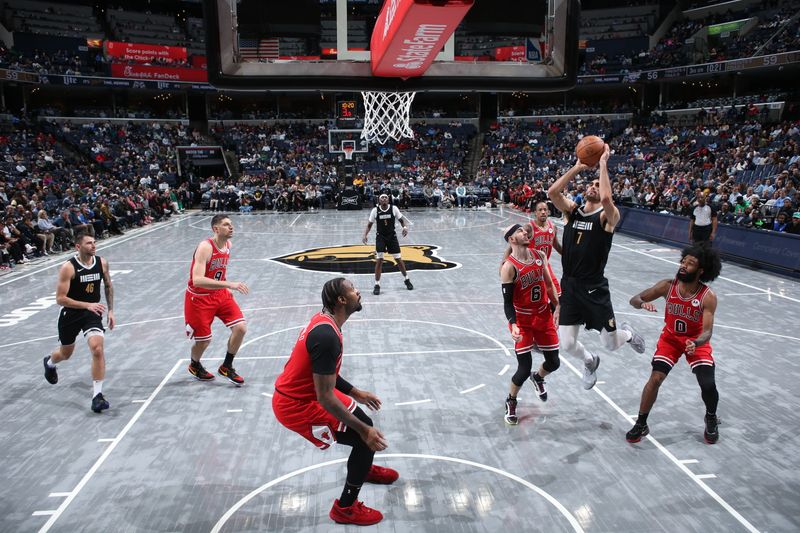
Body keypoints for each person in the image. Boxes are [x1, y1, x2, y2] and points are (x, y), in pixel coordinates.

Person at [272, 278, 398, 526]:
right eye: (352, 289)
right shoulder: (326, 335)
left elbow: (323, 373)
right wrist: (364, 432)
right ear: (341, 300)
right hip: (296, 405)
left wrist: (356, 392)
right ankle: (345, 508)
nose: (358, 291)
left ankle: (363, 467)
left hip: (308, 393)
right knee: (364, 437)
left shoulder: (326, 323)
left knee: (365, 423)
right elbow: (325, 397)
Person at [547, 144, 645, 390]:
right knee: (567, 345)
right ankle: (590, 361)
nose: (593, 186)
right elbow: (552, 192)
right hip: (570, 285)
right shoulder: (573, 212)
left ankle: (629, 334)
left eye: (598, 184)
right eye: (591, 184)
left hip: (594, 288)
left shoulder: (608, 217)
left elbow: (605, 199)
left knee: (610, 344)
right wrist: (578, 166)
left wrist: (603, 163)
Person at [626, 244, 722, 444]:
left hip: (695, 341)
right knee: (656, 378)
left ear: (701, 270)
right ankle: (641, 422)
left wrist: (696, 342)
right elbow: (634, 299)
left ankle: (711, 416)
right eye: (683, 261)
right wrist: (642, 303)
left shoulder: (708, 296)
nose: (684, 265)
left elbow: (707, 331)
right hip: (670, 338)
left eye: (690, 263)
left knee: (707, 383)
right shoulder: (667, 286)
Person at [43, 233, 115, 413]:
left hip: (92, 313)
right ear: (78, 247)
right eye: (89, 243)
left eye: (94, 242)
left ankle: (97, 396)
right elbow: (60, 299)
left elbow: (108, 285)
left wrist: (111, 310)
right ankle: (50, 363)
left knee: (97, 348)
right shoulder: (68, 267)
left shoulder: (101, 263)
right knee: (65, 353)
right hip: (71, 313)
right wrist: (87, 305)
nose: (93, 246)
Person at [500, 225, 560, 425]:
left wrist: (557, 306)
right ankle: (511, 400)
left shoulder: (539, 255)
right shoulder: (509, 267)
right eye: (520, 232)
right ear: (512, 239)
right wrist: (513, 324)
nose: (525, 233)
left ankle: (539, 377)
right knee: (523, 368)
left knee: (554, 362)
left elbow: (549, 284)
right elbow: (507, 304)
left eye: (525, 231)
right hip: (523, 320)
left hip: (543, 315)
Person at [184, 215, 248, 385]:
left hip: (220, 294)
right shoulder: (205, 247)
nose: (231, 227)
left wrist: (225, 288)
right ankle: (195, 364)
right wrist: (230, 284)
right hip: (199, 299)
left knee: (240, 328)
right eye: (226, 224)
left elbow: (218, 271)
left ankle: (227, 366)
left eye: (231, 224)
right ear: (216, 229)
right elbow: (197, 279)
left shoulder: (228, 245)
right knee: (204, 341)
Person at [362, 193, 413, 295]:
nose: (384, 199)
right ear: (379, 200)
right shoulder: (375, 210)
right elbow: (369, 224)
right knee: (379, 260)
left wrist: (405, 227)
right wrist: (365, 235)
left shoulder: (394, 208)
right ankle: (377, 284)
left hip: (391, 236)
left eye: (386, 197)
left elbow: (401, 220)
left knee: (398, 258)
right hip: (380, 236)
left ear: (388, 200)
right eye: (382, 198)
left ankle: (407, 279)